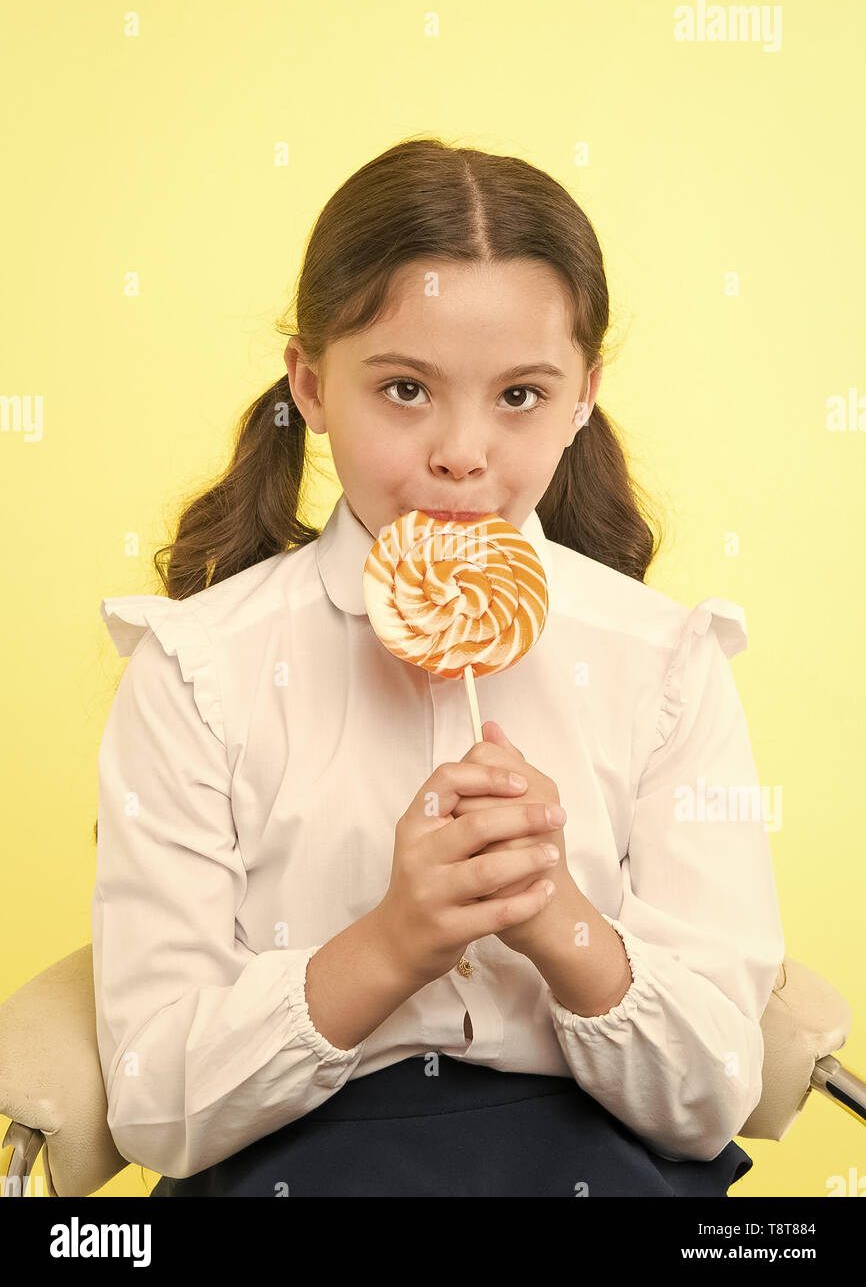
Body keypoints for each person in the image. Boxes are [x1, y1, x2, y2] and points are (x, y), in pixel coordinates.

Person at [92, 136, 786, 1198]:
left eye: (519, 395)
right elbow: (155, 1105)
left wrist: (557, 916)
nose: (462, 450)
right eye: (406, 388)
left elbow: (710, 1098)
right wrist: (392, 940)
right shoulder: (197, 672)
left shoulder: (663, 664)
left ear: (582, 396)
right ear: (311, 383)